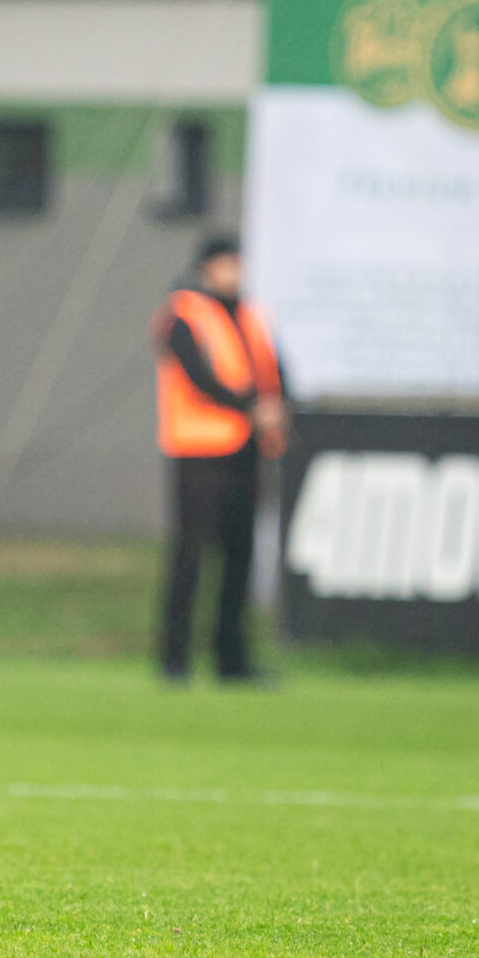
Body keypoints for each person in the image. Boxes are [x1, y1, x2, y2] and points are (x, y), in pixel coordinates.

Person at [151, 234, 288, 685]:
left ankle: (231, 660)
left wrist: (275, 408)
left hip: (246, 450)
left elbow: (275, 372)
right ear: (207, 268)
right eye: (225, 264)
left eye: (238, 264)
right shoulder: (183, 315)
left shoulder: (252, 315)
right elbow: (199, 378)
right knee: (190, 557)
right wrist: (252, 405)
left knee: (239, 559)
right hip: (198, 451)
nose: (234, 273)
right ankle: (174, 661)